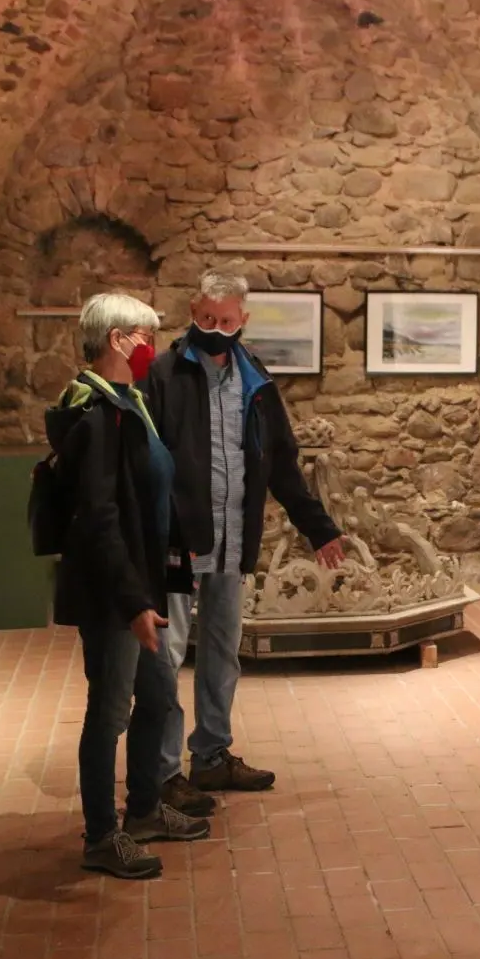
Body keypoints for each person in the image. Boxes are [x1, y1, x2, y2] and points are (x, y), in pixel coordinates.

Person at [144, 270, 346, 816]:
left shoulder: (254, 376)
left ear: (243, 319)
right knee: (166, 658)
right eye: (206, 319)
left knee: (222, 652)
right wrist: (160, 534)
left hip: (233, 542)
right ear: (193, 308)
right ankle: (162, 775)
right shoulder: (163, 375)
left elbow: (281, 461)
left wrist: (318, 528)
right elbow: (149, 464)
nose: (215, 329)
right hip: (179, 543)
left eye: (226, 321)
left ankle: (210, 754)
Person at [47, 293, 210, 879]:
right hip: (115, 594)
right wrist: (134, 601)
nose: (154, 347)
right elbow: (98, 517)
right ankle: (101, 837)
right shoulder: (96, 414)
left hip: (139, 584)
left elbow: (147, 492)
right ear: (118, 340)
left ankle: (143, 810)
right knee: (110, 710)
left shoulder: (127, 402)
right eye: (147, 335)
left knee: (161, 696)